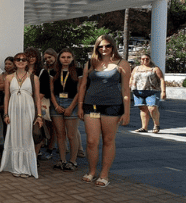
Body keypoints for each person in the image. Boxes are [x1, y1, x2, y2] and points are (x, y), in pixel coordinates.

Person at [77, 35, 131, 187]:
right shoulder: (90, 63)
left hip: (112, 106)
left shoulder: (122, 64)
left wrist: (127, 112)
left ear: (113, 46)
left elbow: (126, 90)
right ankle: (92, 171)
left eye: (107, 45)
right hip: (91, 106)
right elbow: (83, 86)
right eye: (100, 46)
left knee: (108, 140)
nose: (104, 48)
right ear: (96, 48)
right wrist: (80, 106)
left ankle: (104, 174)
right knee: (91, 141)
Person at [0, 53, 44, 178]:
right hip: (13, 111)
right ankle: (16, 166)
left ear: (27, 62)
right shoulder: (8, 78)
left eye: (24, 59)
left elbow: (37, 98)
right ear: (14, 61)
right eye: (18, 59)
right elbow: (6, 97)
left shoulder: (34, 78)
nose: (21, 61)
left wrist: (39, 116)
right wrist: (6, 114)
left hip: (28, 110)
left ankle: (26, 167)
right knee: (14, 136)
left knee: (26, 137)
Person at [50, 49, 82, 171]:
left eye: (68, 57)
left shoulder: (78, 71)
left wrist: (71, 107)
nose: (66, 59)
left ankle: (73, 161)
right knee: (60, 134)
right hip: (56, 103)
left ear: (72, 58)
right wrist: (56, 106)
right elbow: (51, 91)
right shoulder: (53, 72)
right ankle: (62, 160)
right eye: (63, 57)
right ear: (59, 58)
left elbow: (80, 91)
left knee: (72, 135)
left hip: (71, 102)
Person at [131, 54, 166, 133]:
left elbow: (161, 79)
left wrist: (163, 91)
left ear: (150, 59)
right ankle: (144, 128)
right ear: (140, 60)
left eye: (147, 59)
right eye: (143, 59)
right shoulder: (136, 68)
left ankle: (156, 125)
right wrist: (130, 87)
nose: (145, 60)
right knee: (143, 109)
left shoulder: (155, 68)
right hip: (138, 91)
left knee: (152, 108)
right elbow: (132, 77)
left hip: (152, 91)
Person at [40, 48, 58, 158]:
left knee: (54, 126)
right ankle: (47, 144)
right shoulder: (44, 69)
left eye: (49, 57)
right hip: (46, 100)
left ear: (55, 56)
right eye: (45, 58)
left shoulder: (58, 69)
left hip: (56, 99)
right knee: (46, 123)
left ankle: (51, 148)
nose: (48, 60)